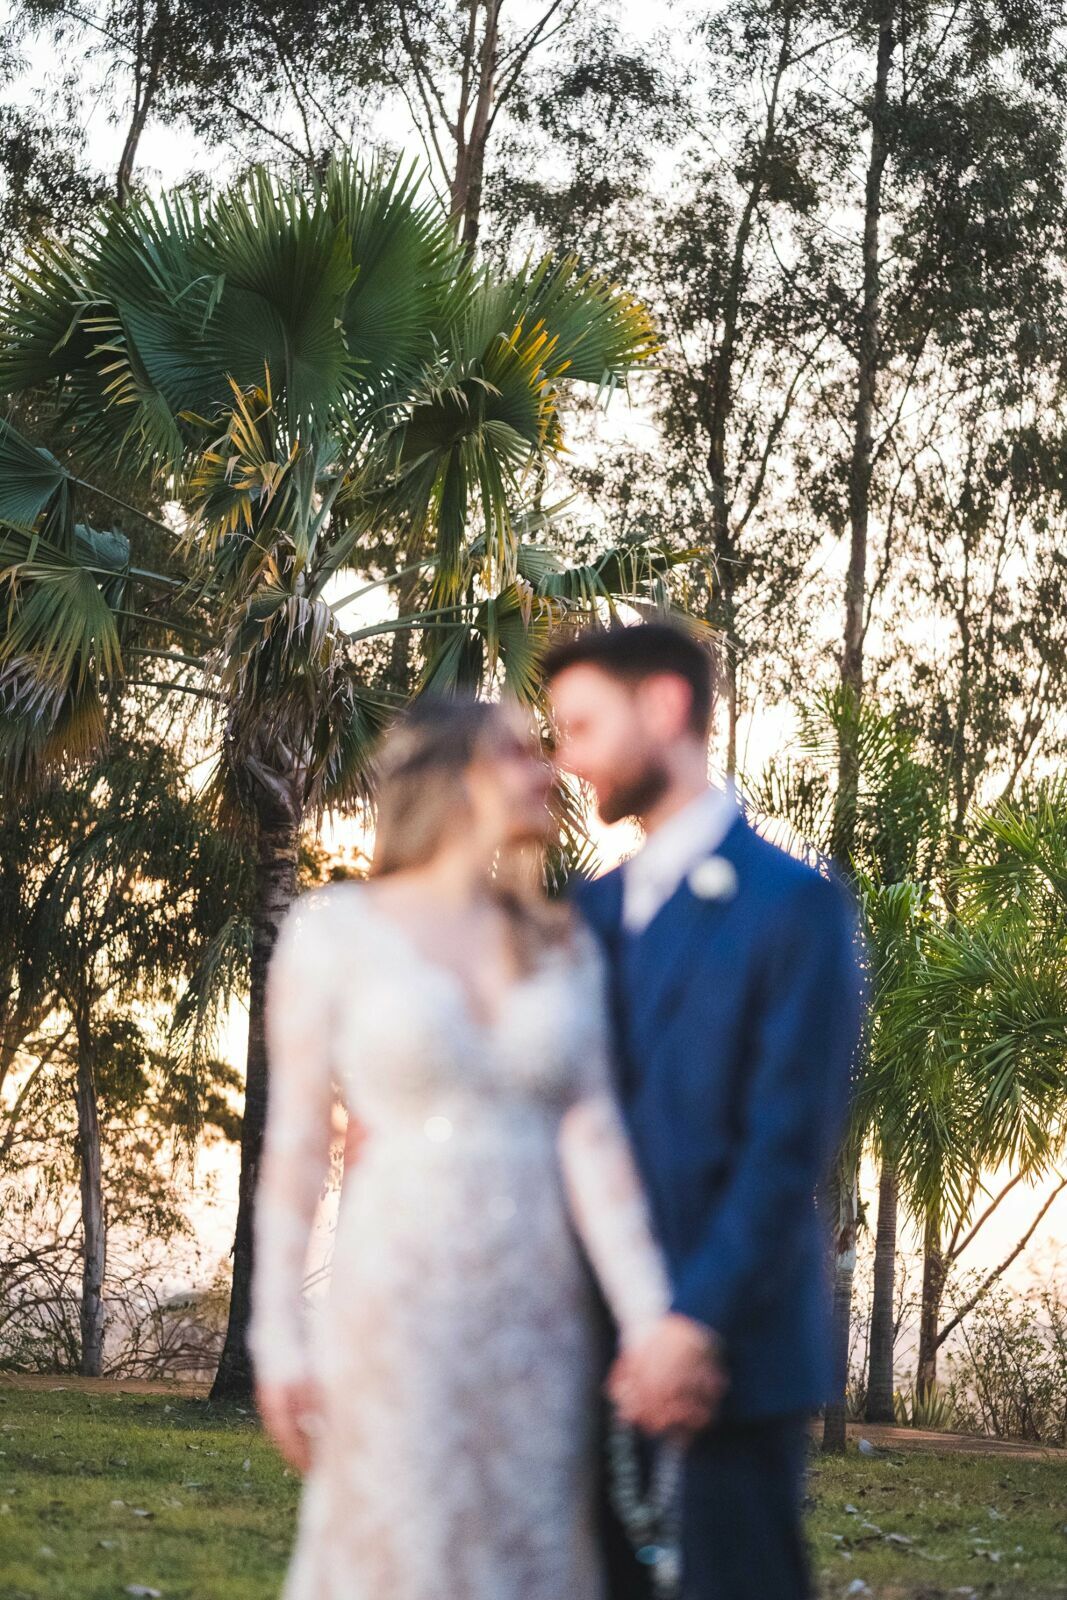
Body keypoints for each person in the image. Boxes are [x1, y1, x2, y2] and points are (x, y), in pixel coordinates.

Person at [248, 697, 717, 1600]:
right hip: (394, 1309)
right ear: (453, 774)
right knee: (405, 1552)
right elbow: (297, 1151)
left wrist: (648, 1318)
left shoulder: (561, 946)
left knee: (529, 1552)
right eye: (518, 754)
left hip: (540, 1320)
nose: (548, 772)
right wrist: (278, 1341)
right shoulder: (333, 931)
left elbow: (596, 1147)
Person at [546, 622, 865, 1600]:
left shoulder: (794, 906)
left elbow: (786, 1147)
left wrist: (688, 1325)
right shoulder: (588, 914)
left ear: (664, 707)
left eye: (582, 726)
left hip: (734, 1353)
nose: (568, 760)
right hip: (590, 1351)